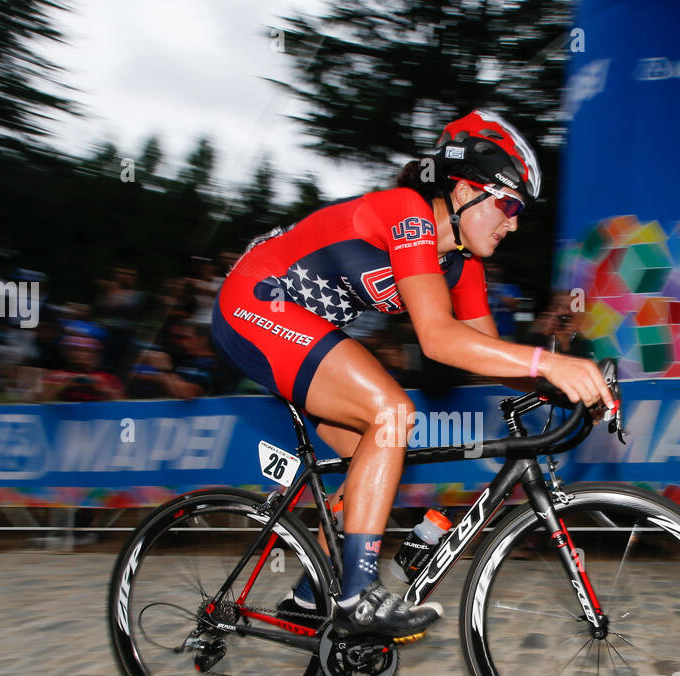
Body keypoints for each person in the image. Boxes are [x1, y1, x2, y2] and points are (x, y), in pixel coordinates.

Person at [210, 109, 613, 642]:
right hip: (256, 302)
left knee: (376, 452)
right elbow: (439, 339)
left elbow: (487, 354)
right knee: (392, 412)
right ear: (468, 189)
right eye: (509, 204)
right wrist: (553, 362)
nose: (514, 222)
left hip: (298, 328)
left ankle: (308, 597)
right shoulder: (408, 213)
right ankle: (357, 598)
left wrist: (565, 386)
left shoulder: (463, 267)